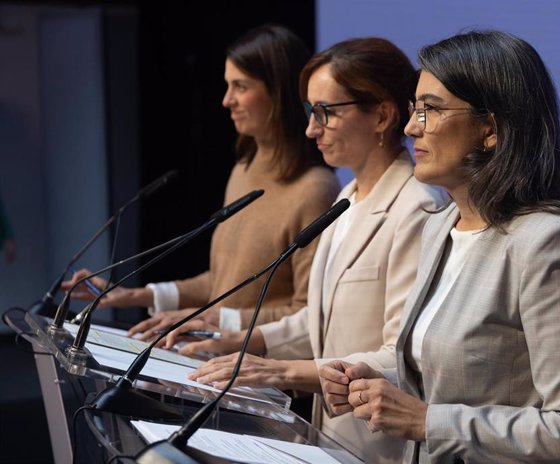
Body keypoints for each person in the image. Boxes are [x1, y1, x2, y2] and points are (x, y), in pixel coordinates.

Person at [319, 30, 560, 463]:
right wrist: (379, 379)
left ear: (490, 129)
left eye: (430, 110)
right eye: (413, 109)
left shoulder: (548, 244)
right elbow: (460, 379)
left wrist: (426, 421)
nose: (409, 127)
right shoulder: (441, 226)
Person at [164, 38, 446, 463]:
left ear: (383, 115)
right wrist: (238, 340)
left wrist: (281, 370)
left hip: (381, 445)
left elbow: (401, 356)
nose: (312, 129)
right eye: (310, 113)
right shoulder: (346, 199)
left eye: (325, 113)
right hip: (332, 437)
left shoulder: (417, 209)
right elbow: (318, 322)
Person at [64, 25, 340, 334]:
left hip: (261, 374)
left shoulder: (315, 189)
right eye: (227, 86)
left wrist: (213, 320)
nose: (227, 100)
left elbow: (306, 315)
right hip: (215, 362)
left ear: (278, 91)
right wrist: (131, 296)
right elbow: (224, 282)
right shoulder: (244, 169)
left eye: (241, 87)